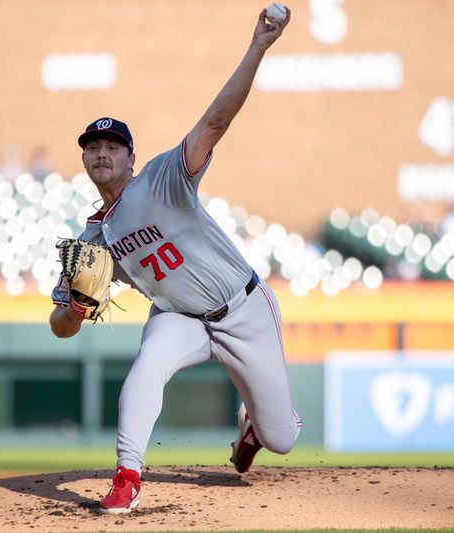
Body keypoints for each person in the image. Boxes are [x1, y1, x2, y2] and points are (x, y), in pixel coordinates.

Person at [49, 6, 300, 515]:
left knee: (281, 440)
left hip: (243, 307)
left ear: (131, 158)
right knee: (147, 365)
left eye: (112, 146)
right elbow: (59, 327)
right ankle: (127, 475)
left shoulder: (163, 177)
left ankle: (251, 423)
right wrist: (74, 308)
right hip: (178, 317)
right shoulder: (91, 240)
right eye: (93, 147)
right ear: (83, 160)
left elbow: (217, 119)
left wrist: (257, 47)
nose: (102, 154)